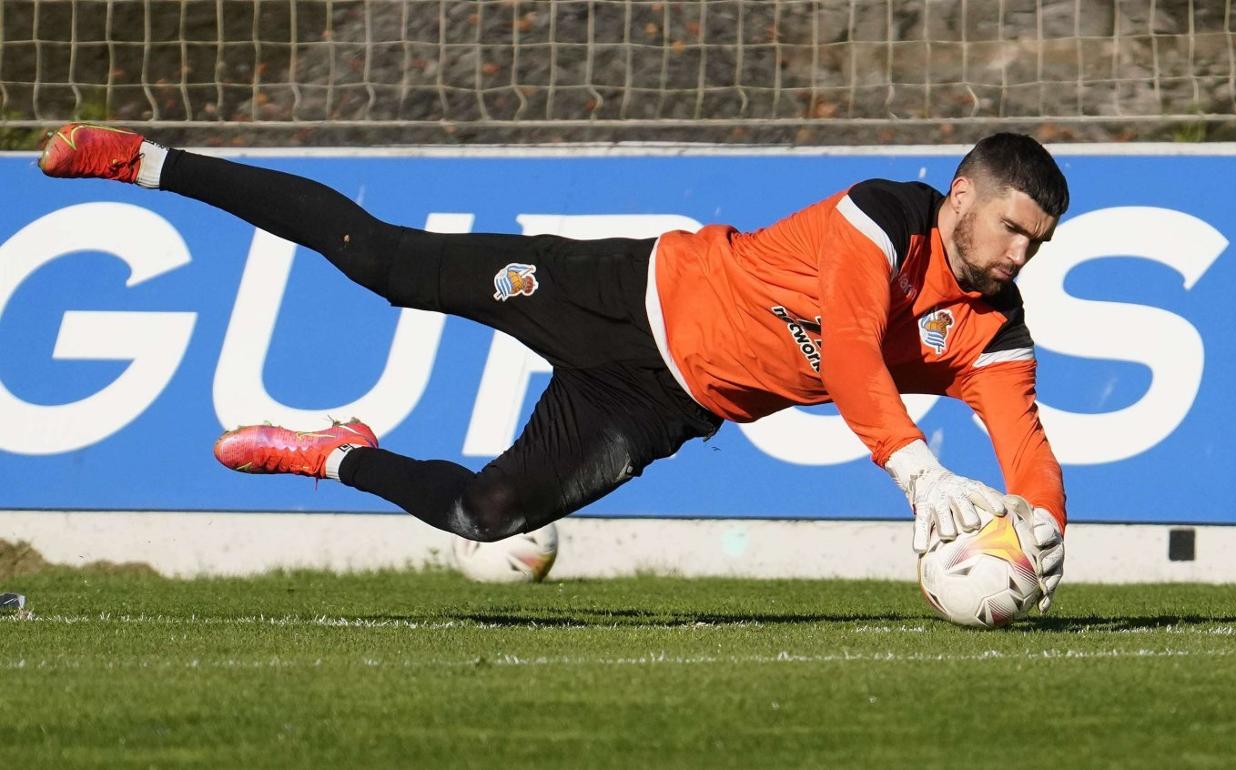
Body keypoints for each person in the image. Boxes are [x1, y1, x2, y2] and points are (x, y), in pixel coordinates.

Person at [38, 124, 1067, 609]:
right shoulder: (884, 214)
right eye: (1015, 229)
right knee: (384, 262)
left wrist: (1042, 526)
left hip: (661, 403)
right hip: (623, 293)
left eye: (1039, 245)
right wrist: (916, 469)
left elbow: (1023, 437)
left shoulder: (989, 323)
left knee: (485, 517)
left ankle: (336, 458)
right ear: (963, 198)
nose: (1020, 256)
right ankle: (148, 162)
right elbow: (848, 345)